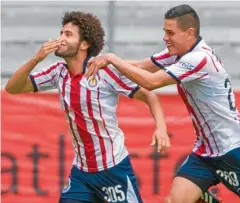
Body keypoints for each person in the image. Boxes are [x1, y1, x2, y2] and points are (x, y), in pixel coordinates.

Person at [86, 4, 240, 203]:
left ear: (189, 33)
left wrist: (112, 58)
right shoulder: (178, 54)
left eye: (170, 32)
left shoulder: (199, 59)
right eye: (164, 31)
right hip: (205, 154)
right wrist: (101, 64)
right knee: (174, 201)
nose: (165, 37)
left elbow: (150, 82)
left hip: (235, 152)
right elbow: (143, 66)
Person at [5, 11, 171, 203]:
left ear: (84, 44)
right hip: (81, 173)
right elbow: (12, 88)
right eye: (61, 33)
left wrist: (161, 128)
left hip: (113, 168)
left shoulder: (103, 71)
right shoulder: (58, 72)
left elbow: (150, 96)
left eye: (68, 35)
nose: (60, 39)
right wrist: (36, 58)